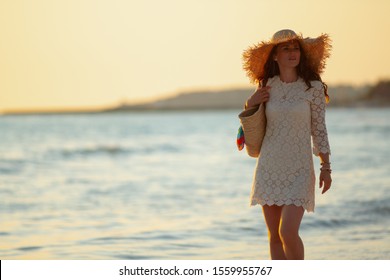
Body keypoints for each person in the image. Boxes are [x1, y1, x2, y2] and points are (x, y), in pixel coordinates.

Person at [242, 29, 332, 260]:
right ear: (274, 56)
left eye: (295, 48)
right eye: (286, 48)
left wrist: (325, 167)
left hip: (299, 169)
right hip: (269, 167)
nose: (292, 53)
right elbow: (252, 121)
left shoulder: (313, 88)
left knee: (288, 232)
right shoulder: (267, 85)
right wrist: (250, 102)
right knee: (274, 236)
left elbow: (319, 129)